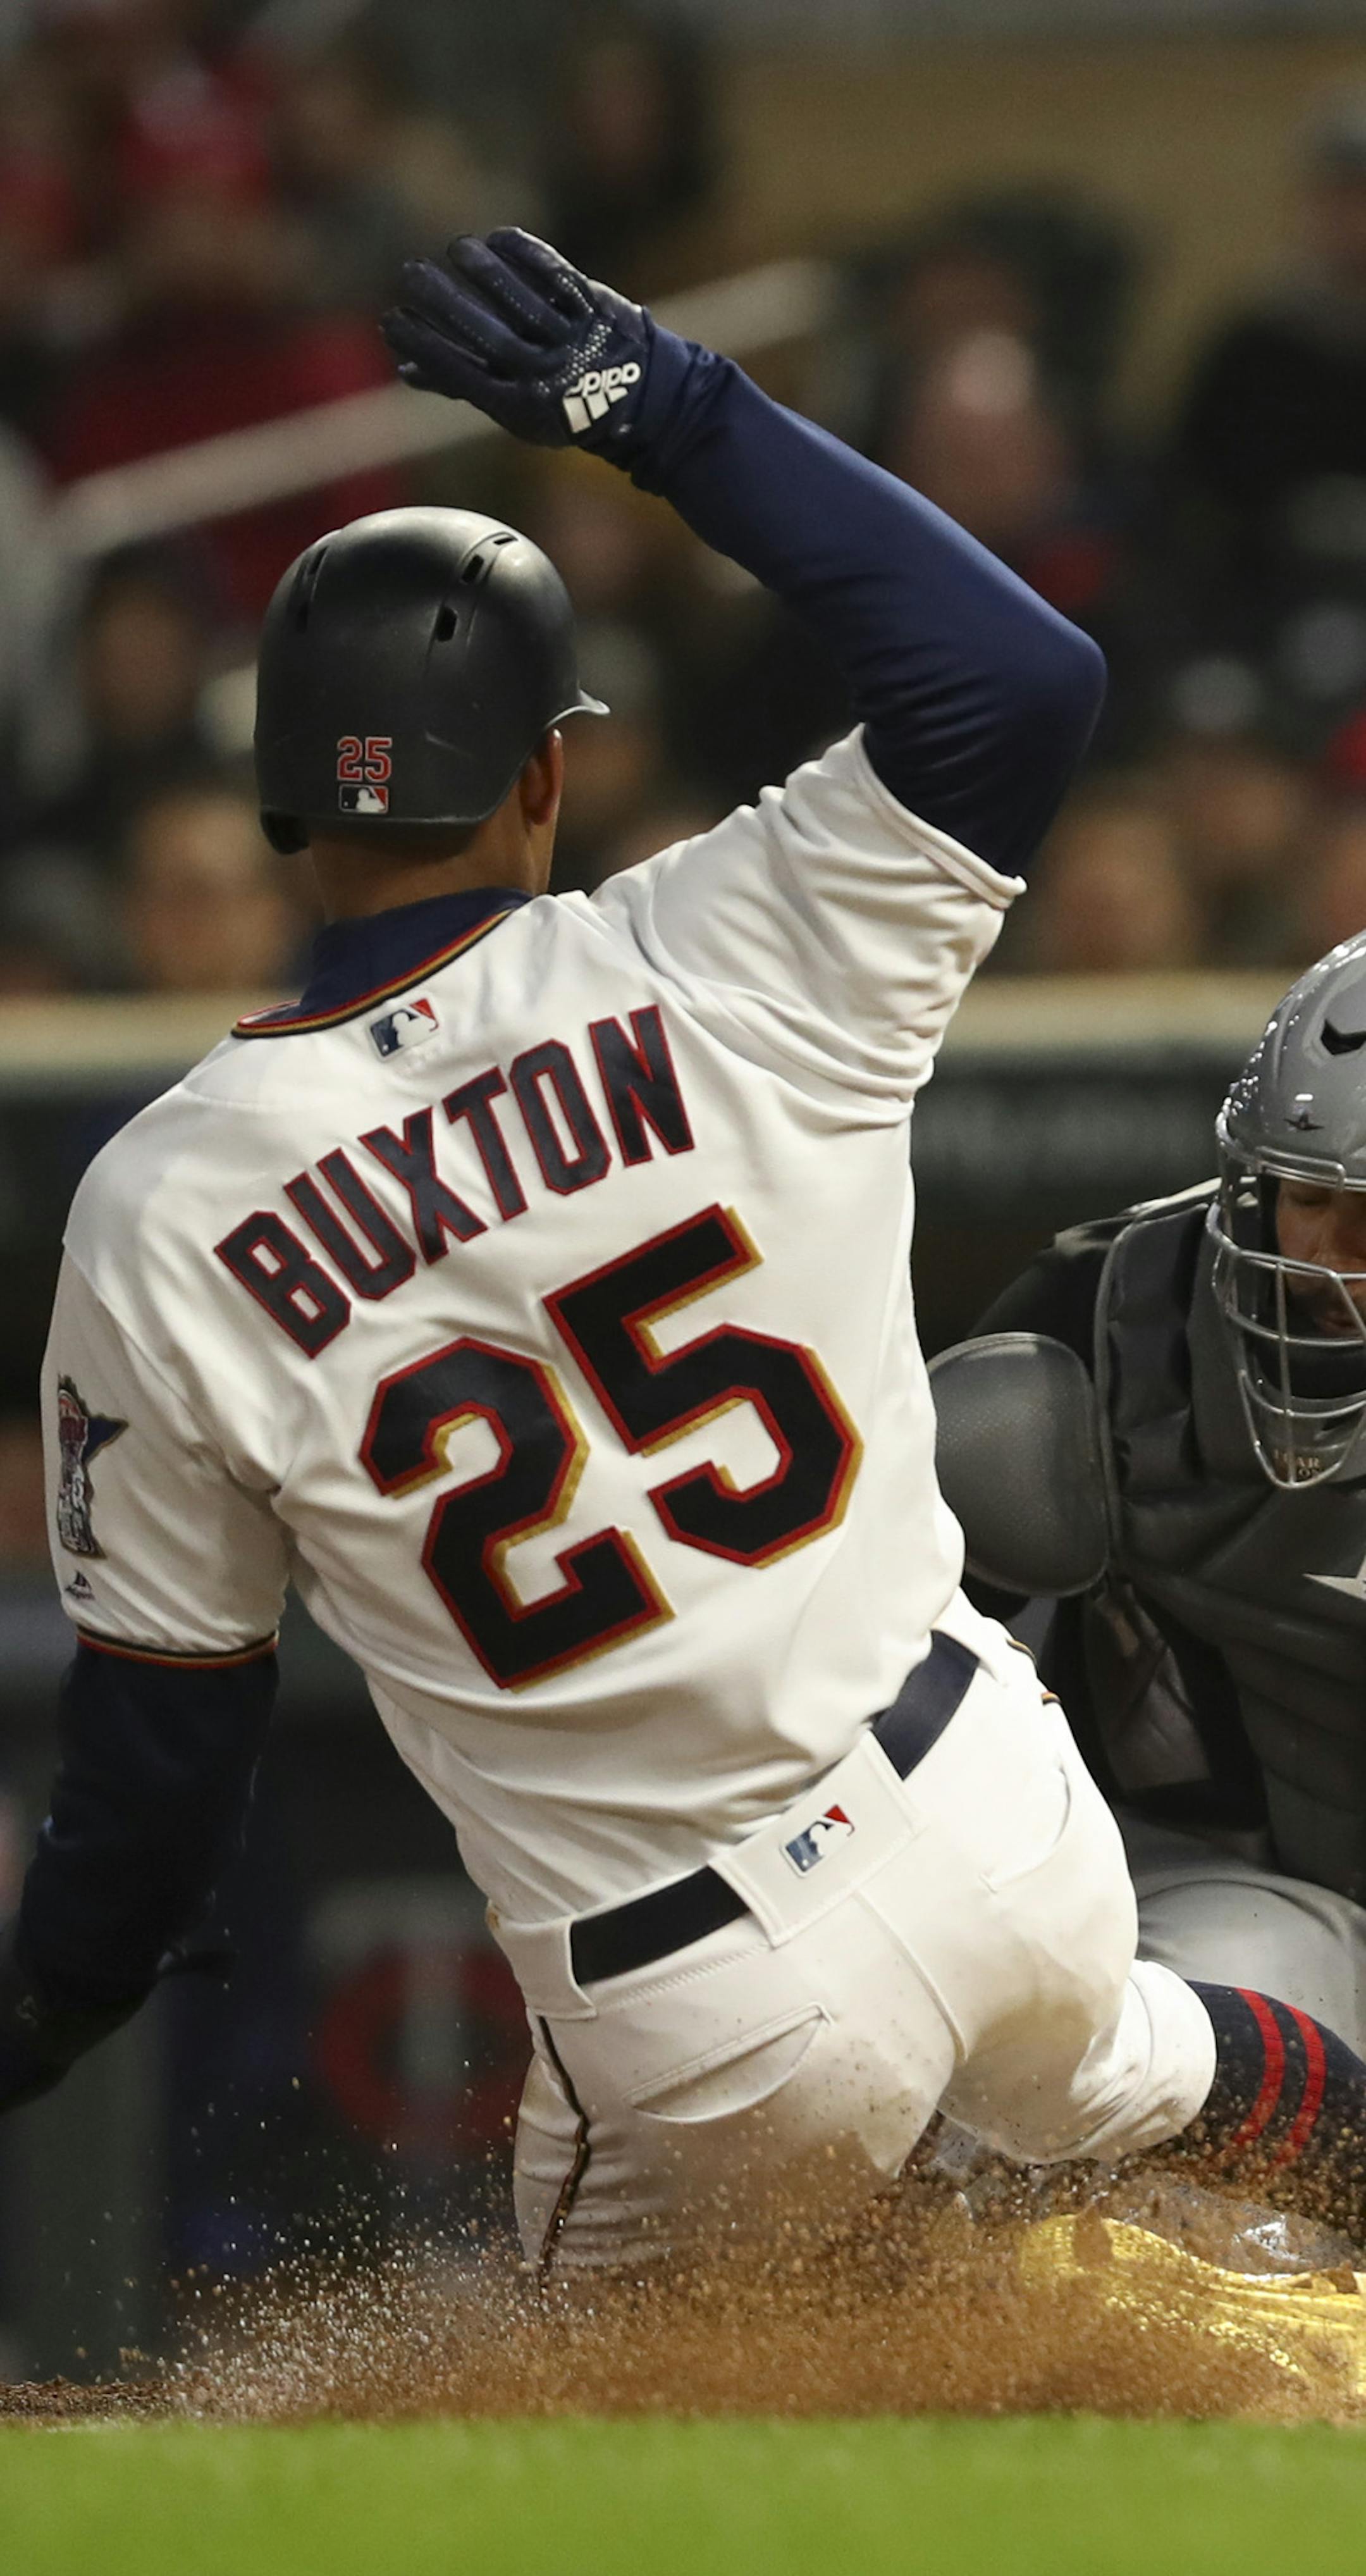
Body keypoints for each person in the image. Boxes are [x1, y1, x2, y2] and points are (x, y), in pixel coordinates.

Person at [5, 229, 1366, 2279]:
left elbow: (160, 1751)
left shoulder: (161, 1202)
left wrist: (53, 1999)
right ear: (550, 768)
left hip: (702, 2001)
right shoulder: (720, 955)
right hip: (991, 1805)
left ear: (287, 800)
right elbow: (1016, 675)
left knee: (606, 2437)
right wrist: (668, 407)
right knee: (1137, 2065)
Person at [932, 928, 1366, 2058]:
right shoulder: (1117, 1323)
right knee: (1248, 1993)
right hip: (1236, 1886)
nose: (1321, 1253)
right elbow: (875, 1660)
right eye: (1300, 1191)